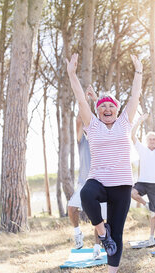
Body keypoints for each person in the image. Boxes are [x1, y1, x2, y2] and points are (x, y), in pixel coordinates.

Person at [66, 53, 142, 273]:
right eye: (103, 107)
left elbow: (134, 97)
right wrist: (71, 74)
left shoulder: (124, 123)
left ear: (117, 110)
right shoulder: (93, 125)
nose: (107, 109)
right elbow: (80, 100)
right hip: (98, 180)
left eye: (111, 106)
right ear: (97, 112)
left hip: (121, 185)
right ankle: (102, 232)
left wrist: (138, 71)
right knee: (86, 195)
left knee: (118, 233)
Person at [66, 86, 107, 260]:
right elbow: (78, 120)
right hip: (84, 182)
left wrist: (97, 98)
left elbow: (103, 118)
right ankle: (77, 233)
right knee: (71, 208)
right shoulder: (82, 140)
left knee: (98, 219)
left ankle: (97, 247)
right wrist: (85, 100)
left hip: (103, 183)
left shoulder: (102, 136)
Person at [131, 112, 155, 244]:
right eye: (150, 139)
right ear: (146, 141)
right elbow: (132, 136)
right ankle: (145, 204)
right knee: (132, 193)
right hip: (142, 182)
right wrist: (139, 121)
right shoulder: (142, 149)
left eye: (154, 139)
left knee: (154, 213)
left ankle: (152, 237)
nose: (152, 141)